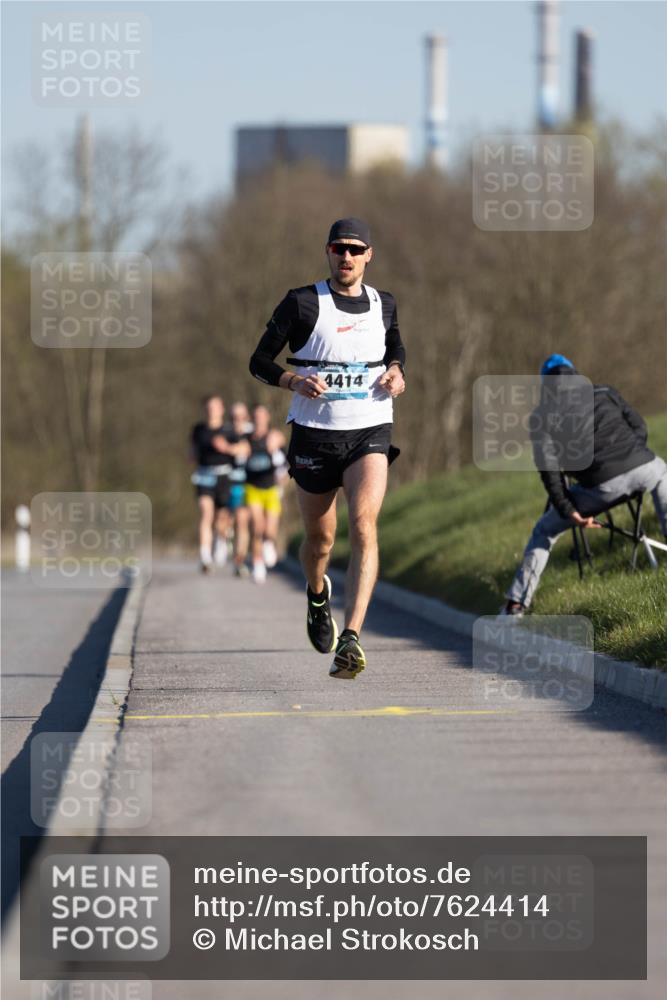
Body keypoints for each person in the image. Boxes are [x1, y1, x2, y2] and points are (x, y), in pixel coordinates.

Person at [249, 217, 406, 678]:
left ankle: (351, 637)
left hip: (369, 428)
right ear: (328, 252)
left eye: (355, 249)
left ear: (369, 255)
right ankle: (318, 595)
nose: (347, 256)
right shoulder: (302, 302)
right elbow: (258, 360)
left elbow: (395, 346)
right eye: (339, 248)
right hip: (314, 434)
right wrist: (292, 380)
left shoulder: (383, 303)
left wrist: (397, 370)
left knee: (364, 524)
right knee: (320, 542)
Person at [501, 354, 667, 616]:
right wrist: (631, 455)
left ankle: (516, 605)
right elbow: (639, 427)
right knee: (663, 473)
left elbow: (550, 472)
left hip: (600, 488)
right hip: (643, 468)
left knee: (544, 530)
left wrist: (569, 510)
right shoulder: (604, 391)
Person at [189, 395, 246, 573]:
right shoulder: (198, 429)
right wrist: (192, 456)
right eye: (209, 407)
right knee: (206, 512)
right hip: (204, 475)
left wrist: (227, 448)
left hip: (224, 476)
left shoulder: (229, 430)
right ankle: (205, 556)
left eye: (215, 407)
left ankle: (221, 540)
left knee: (221, 519)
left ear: (222, 409)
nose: (212, 410)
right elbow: (192, 451)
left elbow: (244, 449)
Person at [245, 404, 287, 583]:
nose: (259, 420)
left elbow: (286, 463)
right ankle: (257, 564)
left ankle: (269, 543)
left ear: (267, 418)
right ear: (252, 418)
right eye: (256, 416)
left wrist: (282, 482)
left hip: (271, 488)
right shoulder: (246, 439)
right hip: (252, 487)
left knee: (269, 529)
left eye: (262, 416)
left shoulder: (275, 437)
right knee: (257, 527)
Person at [226, 402, 253, 577]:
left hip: (247, 483)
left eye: (241, 417)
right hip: (227, 482)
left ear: (247, 417)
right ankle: (225, 539)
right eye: (234, 417)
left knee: (242, 522)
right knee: (224, 521)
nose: (238, 420)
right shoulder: (225, 432)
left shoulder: (253, 433)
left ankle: (239, 561)